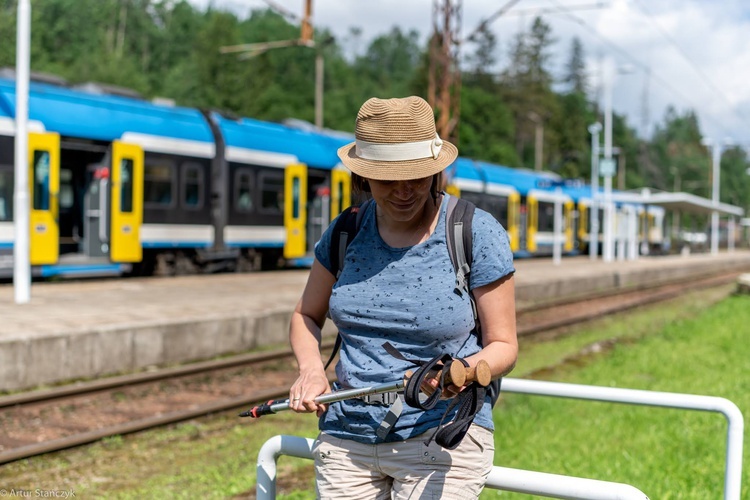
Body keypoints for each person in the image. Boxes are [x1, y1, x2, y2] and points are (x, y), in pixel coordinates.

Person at [288, 95, 517, 499]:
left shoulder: (474, 233)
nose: (404, 191)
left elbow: (503, 346)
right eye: (387, 180)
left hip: (439, 439)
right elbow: (305, 315)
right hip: (346, 439)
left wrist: (458, 372)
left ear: (436, 171)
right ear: (362, 177)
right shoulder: (346, 233)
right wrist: (311, 370)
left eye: (416, 176)